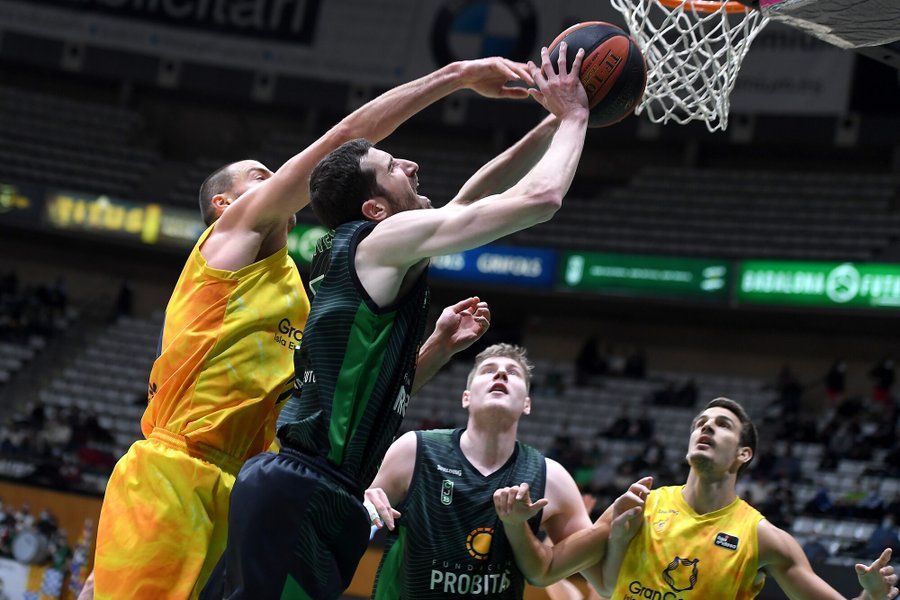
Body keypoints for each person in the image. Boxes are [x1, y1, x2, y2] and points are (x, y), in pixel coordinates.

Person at [91, 54, 535, 600]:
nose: (279, 179)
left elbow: (347, 397)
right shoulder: (227, 242)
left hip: (250, 486)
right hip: (175, 474)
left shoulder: (300, 296)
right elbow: (344, 141)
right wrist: (456, 77)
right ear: (226, 203)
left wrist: (436, 348)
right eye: (262, 176)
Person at [204, 43, 591, 599]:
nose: (409, 164)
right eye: (391, 166)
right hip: (302, 490)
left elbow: (468, 199)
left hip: (311, 490)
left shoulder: (365, 253)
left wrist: (552, 123)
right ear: (375, 210)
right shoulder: (381, 245)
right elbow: (542, 198)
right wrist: (578, 117)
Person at [493, 397, 899, 600]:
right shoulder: (640, 503)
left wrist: (873, 595)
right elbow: (551, 574)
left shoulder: (763, 538)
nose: (706, 428)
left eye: (722, 426)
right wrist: (517, 526)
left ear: (743, 454)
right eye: (700, 423)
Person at [365, 344, 600, 598]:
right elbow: (351, 527)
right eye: (489, 370)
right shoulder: (414, 451)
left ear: (527, 404)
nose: (500, 375)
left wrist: (613, 527)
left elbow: (602, 581)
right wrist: (363, 506)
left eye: (513, 372)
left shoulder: (552, 479)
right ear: (466, 397)